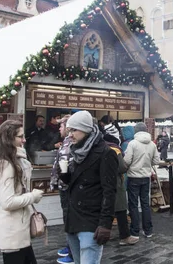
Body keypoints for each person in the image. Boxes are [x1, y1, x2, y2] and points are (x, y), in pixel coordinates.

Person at [58, 111, 117, 264]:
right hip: (73, 219)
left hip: (91, 221)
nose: (70, 134)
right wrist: (66, 176)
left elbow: (109, 191)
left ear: (86, 130)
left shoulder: (106, 153)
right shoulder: (77, 150)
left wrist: (105, 224)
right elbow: (80, 181)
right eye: (69, 130)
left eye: (73, 130)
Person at [0, 120, 44, 264]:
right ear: (9, 138)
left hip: (18, 229)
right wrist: (33, 196)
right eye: (20, 136)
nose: (24, 140)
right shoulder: (5, 165)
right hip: (12, 231)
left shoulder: (12, 161)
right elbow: (8, 202)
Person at [124, 122, 160, 239]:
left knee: (133, 205)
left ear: (136, 131)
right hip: (146, 177)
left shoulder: (132, 144)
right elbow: (156, 161)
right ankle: (148, 230)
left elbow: (127, 161)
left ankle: (135, 231)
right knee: (145, 204)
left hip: (133, 177)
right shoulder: (152, 144)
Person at [103, 133, 138, 246]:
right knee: (121, 210)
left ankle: (102, 236)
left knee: (104, 210)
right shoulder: (115, 150)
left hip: (102, 184)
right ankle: (124, 236)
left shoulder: (98, 148)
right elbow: (122, 167)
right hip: (116, 182)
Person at [50, 116, 74, 263]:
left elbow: (65, 166)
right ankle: (69, 245)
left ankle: (72, 252)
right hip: (63, 186)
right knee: (67, 218)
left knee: (70, 219)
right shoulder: (65, 142)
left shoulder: (70, 144)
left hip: (68, 188)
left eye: (61, 126)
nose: (59, 128)